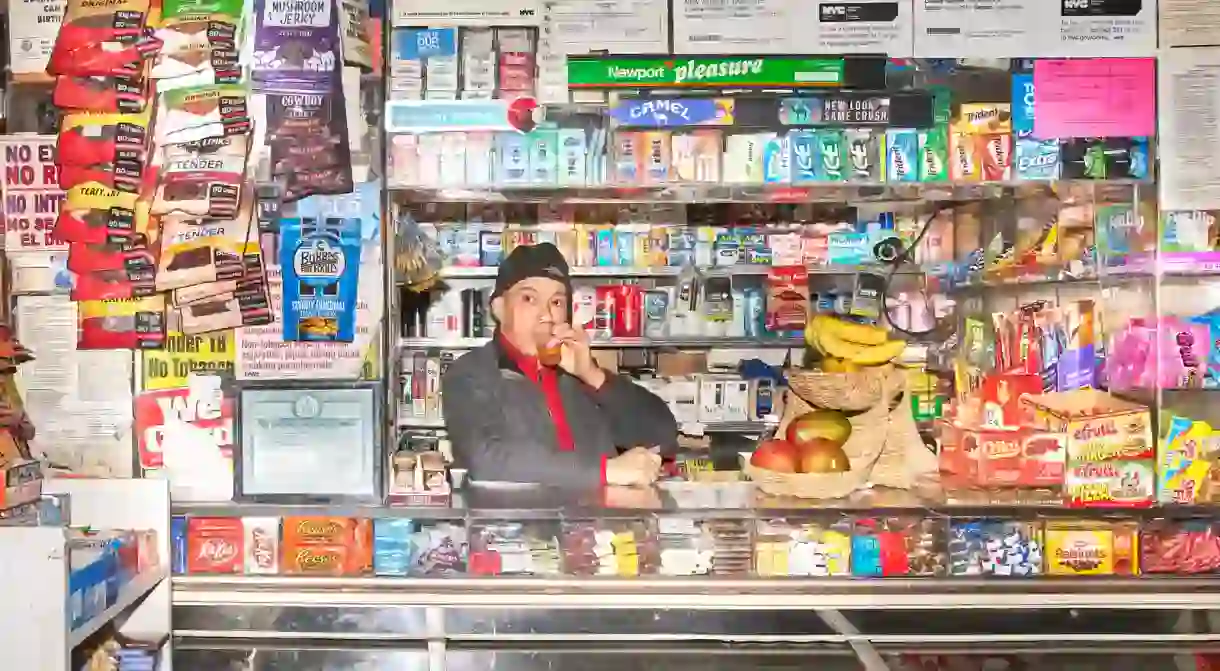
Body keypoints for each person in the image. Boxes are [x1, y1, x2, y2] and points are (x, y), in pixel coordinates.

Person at [442, 243, 679, 488]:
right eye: (529, 298)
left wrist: (593, 375)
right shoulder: (471, 373)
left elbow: (663, 437)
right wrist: (605, 471)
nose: (546, 314)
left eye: (556, 302)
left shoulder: (579, 371)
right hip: (518, 523)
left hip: (599, 522)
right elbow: (485, 459)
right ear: (499, 308)